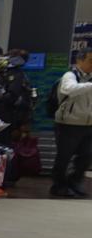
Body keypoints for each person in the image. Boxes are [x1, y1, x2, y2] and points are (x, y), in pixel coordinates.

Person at [50, 49, 92, 198]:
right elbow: (70, 89)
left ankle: (74, 183)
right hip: (68, 124)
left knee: (86, 157)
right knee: (64, 157)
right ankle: (59, 186)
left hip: (88, 125)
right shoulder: (70, 75)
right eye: (90, 61)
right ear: (79, 61)